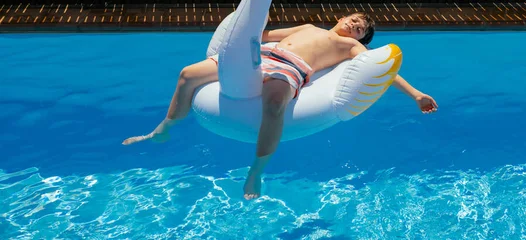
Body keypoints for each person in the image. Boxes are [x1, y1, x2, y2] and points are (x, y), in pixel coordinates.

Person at [122, 12, 438, 199]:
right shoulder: (308, 28)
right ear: (339, 17)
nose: (354, 26)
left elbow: (385, 72)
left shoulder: (349, 46)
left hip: (292, 67)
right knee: (188, 74)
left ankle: (256, 171)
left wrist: (417, 94)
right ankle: (162, 130)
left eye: (360, 28)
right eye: (353, 19)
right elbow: (265, 35)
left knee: (274, 106)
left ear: (361, 38)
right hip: (261, 57)